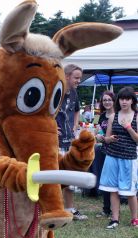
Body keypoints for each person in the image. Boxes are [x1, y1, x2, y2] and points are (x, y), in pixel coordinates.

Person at [99, 87, 138, 228]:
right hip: (112, 156)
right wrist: (107, 139)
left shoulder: (136, 116)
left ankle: (135, 219)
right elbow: (107, 138)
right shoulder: (113, 116)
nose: (124, 101)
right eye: (122, 98)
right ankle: (115, 219)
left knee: (130, 191)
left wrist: (128, 127)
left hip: (129, 157)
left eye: (127, 99)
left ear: (132, 100)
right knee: (112, 189)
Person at [56, 64, 88, 220]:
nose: (79, 81)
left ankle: (70, 209)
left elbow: (76, 110)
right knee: (54, 178)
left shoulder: (74, 93)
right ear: (67, 76)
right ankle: (52, 209)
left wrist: (75, 124)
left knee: (69, 178)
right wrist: (50, 128)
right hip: (54, 142)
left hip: (69, 141)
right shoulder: (55, 91)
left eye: (80, 78)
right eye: (76, 77)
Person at [93, 91, 116, 217]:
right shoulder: (100, 116)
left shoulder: (118, 116)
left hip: (115, 151)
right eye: (104, 100)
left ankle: (114, 209)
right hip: (103, 150)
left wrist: (107, 138)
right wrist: (97, 135)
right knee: (105, 179)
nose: (107, 102)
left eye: (109, 100)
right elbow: (95, 130)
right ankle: (106, 209)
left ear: (114, 101)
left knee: (113, 180)